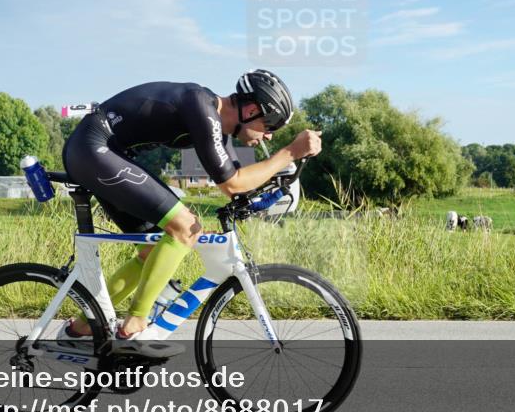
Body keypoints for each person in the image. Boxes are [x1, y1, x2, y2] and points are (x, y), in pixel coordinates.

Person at [56, 69, 321, 357]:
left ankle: (81, 329)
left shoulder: (216, 127)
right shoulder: (201, 107)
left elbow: (239, 183)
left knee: (152, 250)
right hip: (93, 148)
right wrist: (289, 152)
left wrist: (278, 189)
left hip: (108, 154)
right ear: (252, 109)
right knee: (187, 227)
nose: (269, 134)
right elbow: (232, 184)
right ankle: (133, 327)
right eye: (270, 124)